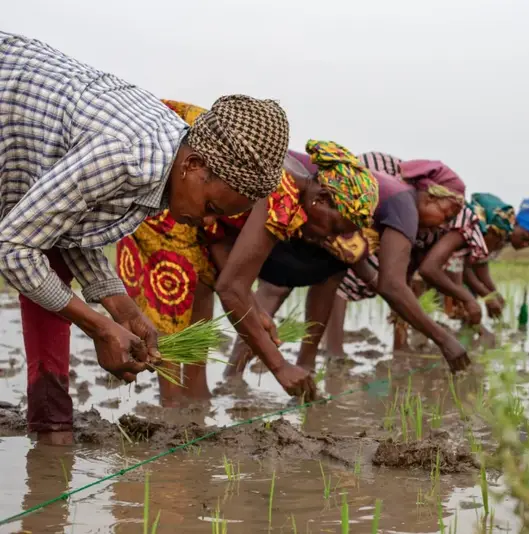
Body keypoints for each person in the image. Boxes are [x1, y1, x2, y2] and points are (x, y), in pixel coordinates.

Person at [0, 32, 289, 445]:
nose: (206, 222)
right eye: (211, 207)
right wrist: (99, 328)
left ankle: (50, 431)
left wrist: (122, 309)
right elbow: (13, 248)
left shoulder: (170, 161)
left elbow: (67, 229)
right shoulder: (128, 155)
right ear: (193, 165)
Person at [118, 103, 378, 403]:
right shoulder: (283, 194)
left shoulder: (294, 191)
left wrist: (253, 307)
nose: (328, 237)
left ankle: (195, 402)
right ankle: (173, 404)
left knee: (204, 283)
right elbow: (232, 289)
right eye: (333, 227)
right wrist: (280, 367)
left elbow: (221, 251)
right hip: (178, 177)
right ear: (322, 198)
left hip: (196, 192)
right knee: (175, 290)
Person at [223, 152, 473, 376]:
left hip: (297, 205)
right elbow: (391, 284)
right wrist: (445, 341)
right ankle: (238, 373)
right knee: (277, 286)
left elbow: (357, 262)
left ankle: (294, 367)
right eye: (447, 214)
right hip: (277, 190)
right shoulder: (404, 205)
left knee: (329, 273)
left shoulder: (389, 195)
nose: (442, 225)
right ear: (430, 194)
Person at [439, 194, 529, 320]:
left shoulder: (506, 237)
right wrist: (488, 296)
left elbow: (480, 263)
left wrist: (494, 293)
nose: (524, 244)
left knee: (468, 305)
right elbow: (465, 266)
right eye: (524, 237)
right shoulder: (496, 232)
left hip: (455, 268)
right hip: (444, 264)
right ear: (517, 224)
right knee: (457, 303)